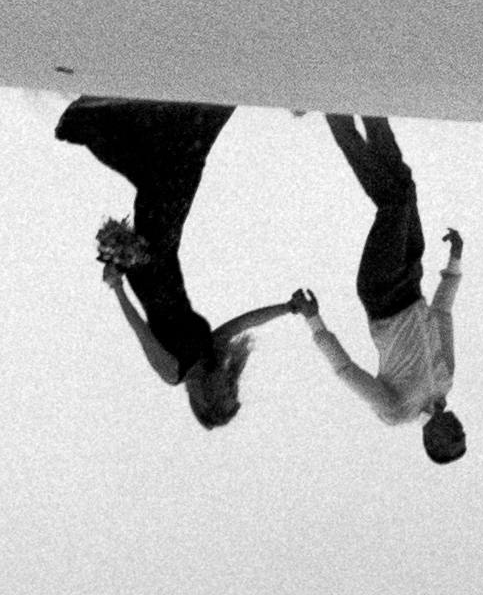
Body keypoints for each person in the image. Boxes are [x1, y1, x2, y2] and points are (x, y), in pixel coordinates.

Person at [55, 96, 303, 428]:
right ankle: (85, 123)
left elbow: (139, 329)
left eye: (227, 394)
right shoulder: (209, 353)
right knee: (165, 172)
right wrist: (287, 308)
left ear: (206, 400)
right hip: (166, 253)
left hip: (145, 261)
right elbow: (244, 323)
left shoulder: (172, 372)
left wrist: (116, 287)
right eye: (233, 391)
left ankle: (213, 102)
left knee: (179, 170)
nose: (231, 386)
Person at [298, 113, 468, 463]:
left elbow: (346, 371)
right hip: (411, 280)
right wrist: (454, 262)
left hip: (382, 293)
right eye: (462, 434)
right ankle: (372, 110)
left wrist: (314, 321)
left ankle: (337, 114)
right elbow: (442, 315)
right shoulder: (446, 380)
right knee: (404, 187)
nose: (459, 429)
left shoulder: (396, 411)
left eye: (453, 438)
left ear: (433, 442)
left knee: (394, 205)